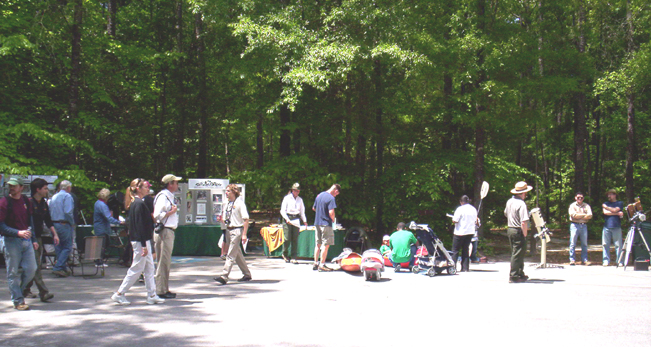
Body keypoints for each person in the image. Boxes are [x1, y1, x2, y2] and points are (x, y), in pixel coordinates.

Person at [111, 178, 165, 306]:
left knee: (149, 268)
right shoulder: (139, 204)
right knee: (137, 268)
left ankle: (152, 294)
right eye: (145, 187)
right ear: (138, 189)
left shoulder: (136, 203)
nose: (148, 189)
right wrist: (144, 245)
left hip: (142, 240)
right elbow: (140, 226)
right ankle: (119, 293)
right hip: (141, 241)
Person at [0, 177, 38, 310]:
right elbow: (1, 226)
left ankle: (19, 292)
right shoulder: (4, 202)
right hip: (11, 241)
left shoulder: (26, 201)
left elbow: (30, 221)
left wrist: (34, 240)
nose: (12, 188)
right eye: (10, 185)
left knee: (31, 269)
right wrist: (17, 233)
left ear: (21, 187)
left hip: (26, 240)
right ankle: (18, 300)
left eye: (14, 186)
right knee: (13, 272)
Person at [24, 178, 58, 302]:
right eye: (45, 188)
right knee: (36, 266)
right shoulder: (28, 203)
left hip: (38, 237)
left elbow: (48, 220)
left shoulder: (43, 203)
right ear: (38, 189)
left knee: (32, 266)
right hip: (28, 238)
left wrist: (55, 234)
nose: (46, 190)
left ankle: (25, 289)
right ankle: (43, 292)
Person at [214, 184, 252, 284]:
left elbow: (246, 219)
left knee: (230, 254)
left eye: (228, 191)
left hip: (237, 230)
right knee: (237, 253)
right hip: (228, 229)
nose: (226, 193)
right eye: (226, 191)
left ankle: (224, 276)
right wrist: (221, 220)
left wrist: (244, 234)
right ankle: (247, 274)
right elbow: (228, 218)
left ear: (234, 192)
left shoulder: (240, 203)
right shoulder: (226, 203)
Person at [152, 174, 181, 299]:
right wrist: (171, 212)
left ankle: (164, 288)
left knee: (166, 261)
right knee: (163, 261)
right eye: (176, 182)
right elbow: (157, 215)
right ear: (170, 184)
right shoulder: (163, 196)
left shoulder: (169, 196)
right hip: (164, 231)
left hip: (168, 231)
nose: (177, 185)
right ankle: (160, 290)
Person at [504, 181, 532, 283]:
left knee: (516, 252)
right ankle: (514, 275)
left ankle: (520, 273)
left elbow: (506, 214)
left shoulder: (509, 201)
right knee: (518, 253)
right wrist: (525, 234)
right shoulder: (521, 204)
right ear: (523, 193)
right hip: (518, 229)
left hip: (510, 228)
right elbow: (524, 221)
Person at [311, 184, 341, 272]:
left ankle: (315, 263)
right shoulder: (331, 198)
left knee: (318, 244)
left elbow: (314, 208)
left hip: (317, 223)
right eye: (337, 194)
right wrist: (333, 220)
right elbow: (331, 212)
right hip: (326, 224)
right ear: (336, 191)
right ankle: (322, 264)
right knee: (325, 244)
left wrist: (321, 212)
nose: (336, 195)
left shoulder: (319, 195)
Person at [49, 180, 75, 277]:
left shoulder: (54, 196)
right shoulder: (67, 196)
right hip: (64, 223)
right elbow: (68, 212)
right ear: (68, 188)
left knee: (58, 246)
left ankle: (62, 268)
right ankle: (58, 267)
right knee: (67, 246)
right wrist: (72, 223)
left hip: (54, 224)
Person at [280, 182, 308, 264]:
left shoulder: (300, 200)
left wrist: (305, 221)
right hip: (288, 218)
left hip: (296, 219)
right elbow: (282, 210)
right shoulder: (287, 198)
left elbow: (302, 212)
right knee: (287, 238)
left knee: (295, 239)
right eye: (295, 190)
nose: (297, 192)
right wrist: (286, 218)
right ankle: (284, 254)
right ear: (292, 190)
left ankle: (293, 257)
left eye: (298, 191)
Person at [94, 188, 122, 267]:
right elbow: (108, 217)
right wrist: (119, 222)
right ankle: (99, 262)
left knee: (100, 244)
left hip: (98, 227)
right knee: (102, 245)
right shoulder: (103, 205)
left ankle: (98, 260)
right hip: (102, 227)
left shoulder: (97, 203)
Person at [451, 195, 478, 272]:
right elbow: (475, 220)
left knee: (455, 250)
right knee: (465, 249)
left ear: (461, 202)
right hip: (470, 232)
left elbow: (455, 220)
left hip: (460, 232)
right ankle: (465, 268)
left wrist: (453, 220)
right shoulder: (473, 209)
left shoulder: (460, 209)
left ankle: (453, 267)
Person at [568, 191, 593, 265]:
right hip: (574, 225)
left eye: (581, 198)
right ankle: (572, 260)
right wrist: (584, 215)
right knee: (572, 243)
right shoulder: (572, 206)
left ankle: (584, 260)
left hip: (584, 225)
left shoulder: (586, 206)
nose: (580, 199)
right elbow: (573, 215)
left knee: (584, 244)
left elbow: (590, 215)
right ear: (575, 198)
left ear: (583, 198)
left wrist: (578, 215)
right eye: (578, 197)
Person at [602, 189, 624, 267]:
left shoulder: (619, 203)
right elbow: (605, 213)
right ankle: (605, 260)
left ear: (614, 195)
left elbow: (615, 209)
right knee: (605, 244)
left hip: (616, 226)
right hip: (606, 226)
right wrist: (617, 213)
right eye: (608, 194)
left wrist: (608, 208)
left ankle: (620, 260)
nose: (609, 196)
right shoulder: (606, 203)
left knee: (618, 245)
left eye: (610, 194)